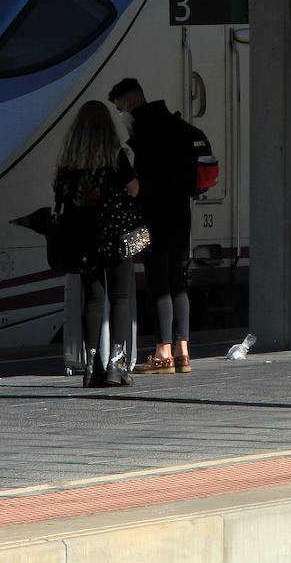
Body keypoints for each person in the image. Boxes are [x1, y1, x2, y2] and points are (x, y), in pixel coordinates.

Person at [108, 77, 196, 374]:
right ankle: (183, 352)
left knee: (158, 283)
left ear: (130, 102)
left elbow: (142, 180)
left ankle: (162, 353)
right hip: (181, 213)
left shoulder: (143, 130)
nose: (121, 115)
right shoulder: (176, 125)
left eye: (121, 108)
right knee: (178, 281)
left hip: (154, 214)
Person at [53, 100, 141, 387]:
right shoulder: (115, 155)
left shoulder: (69, 158)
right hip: (114, 234)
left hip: (82, 238)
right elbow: (134, 188)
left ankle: (92, 367)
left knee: (92, 300)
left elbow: (60, 193)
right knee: (120, 298)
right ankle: (117, 365)